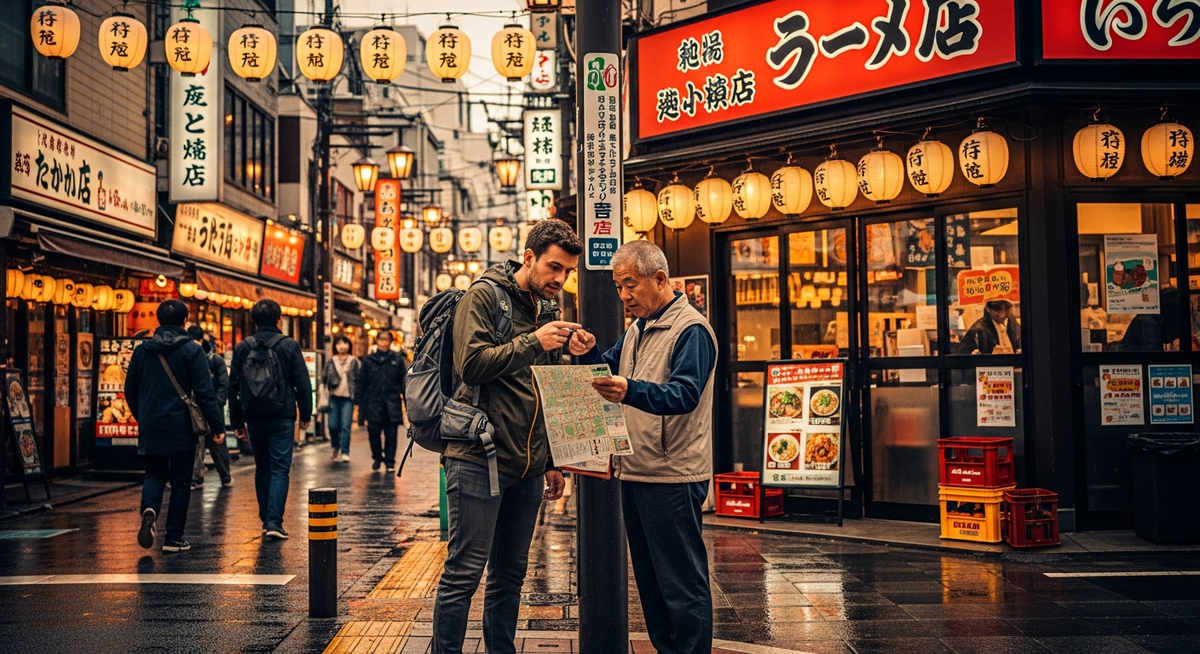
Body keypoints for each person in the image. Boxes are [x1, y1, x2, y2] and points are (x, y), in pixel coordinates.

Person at [432, 218, 581, 654]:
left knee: (510, 575)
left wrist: (551, 460)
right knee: (464, 573)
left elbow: (546, 387)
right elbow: (471, 365)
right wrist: (536, 341)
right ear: (529, 257)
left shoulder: (547, 308)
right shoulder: (483, 296)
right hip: (477, 457)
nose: (560, 279)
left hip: (528, 465)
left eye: (568, 271)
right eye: (554, 267)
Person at [574, 241, 717, 654]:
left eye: (630, 285)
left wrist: (630, 390)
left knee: (681, 582)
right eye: (619, 287)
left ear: (660, 278)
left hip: (673, 474)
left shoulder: (691, 330)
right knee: (652, 584)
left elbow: (685, 394)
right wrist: (588, 354)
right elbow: (609, 371)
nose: (624, 295)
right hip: (637, 468)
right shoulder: (638, 328)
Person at [125, 300, 225, 553]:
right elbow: (205, 393)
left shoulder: (142, 351)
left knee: (154, 474)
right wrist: (217, 426)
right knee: (180, 482)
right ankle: (173, 538)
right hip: (181, 425)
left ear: (158, 320)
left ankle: (150, 509)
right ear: (184, 322)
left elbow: (130, 390)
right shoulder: (192, 350)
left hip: (151, 424)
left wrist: (142, 416)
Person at [228, 299, 313, 540]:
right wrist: (305, 413)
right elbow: (302, 382)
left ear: (254, 320)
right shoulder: (288, 345)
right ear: (279, 319)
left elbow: (233, 386)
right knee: (279, 469)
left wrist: (237, 422)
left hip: (253, 415)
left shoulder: (242, 347)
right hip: (282, 414)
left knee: (262, 468)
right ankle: (274, 521)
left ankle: (266, 518)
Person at [353, 330, 406, 472]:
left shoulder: (397, 360)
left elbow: (404, 382)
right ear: (376, 341)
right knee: (373, 432)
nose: (383, 342)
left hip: (391, 403)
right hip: (373, 402)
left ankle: (390, 461)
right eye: (381, 339)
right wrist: (358, 400)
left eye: (386, 339)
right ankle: (377, 457)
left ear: (391, 342)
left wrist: (407, 401)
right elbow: (361, 382)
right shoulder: (368, 360)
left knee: (391, 435)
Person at [188, 326, 232, 489]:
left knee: (217, 443)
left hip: (211, 406)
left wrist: (216, 403)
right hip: (196, 408)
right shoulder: (191, 356)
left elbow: (224, 384)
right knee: (198, 443)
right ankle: (196, 478)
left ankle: (225, 476)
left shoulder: (214, 359)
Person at [322, 334, 359, 462]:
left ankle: (345, 451)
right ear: (335, 346)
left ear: (349, 345)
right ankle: (335, 446)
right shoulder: (331, 361)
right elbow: (324, 378)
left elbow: (358, 379)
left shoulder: (353, 361)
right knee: (332, 426)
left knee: (345, 426)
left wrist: (357, 398)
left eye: (344, 343)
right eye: (339, 343)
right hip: (333, 397)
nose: (342, 346)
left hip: (348, 398)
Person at [954, 299, 1021, 355]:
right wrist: (973, 355)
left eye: (1008, 309)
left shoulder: (1011, 322)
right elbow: (960, 354)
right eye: (1001, 310)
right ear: (989, 309)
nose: (1007, 314)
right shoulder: (978, 329)